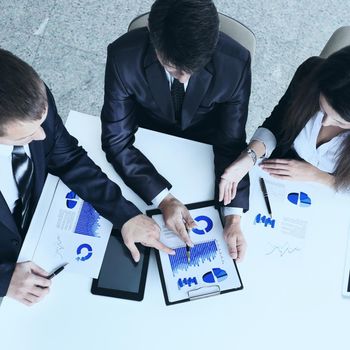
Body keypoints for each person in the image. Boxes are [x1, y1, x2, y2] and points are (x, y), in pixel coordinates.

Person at [0, 49, 174, 306]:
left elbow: (68, 157)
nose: (41, 137)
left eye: (42, 123)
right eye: (24, 137)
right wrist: (5, 280)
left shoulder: (34, 101)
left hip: (45, 231)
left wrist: (124, 214)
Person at [101, 0, 252, 261]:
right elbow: (116, 141)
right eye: (172, 68)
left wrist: (233, 217)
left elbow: (231, 141)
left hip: (204, 149)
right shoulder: (123, 57)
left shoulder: (235, 64)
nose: (183, 79)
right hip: (148, 141)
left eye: (192, 71)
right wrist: (163, 199)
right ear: (151, 30)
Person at [219, 46, 350, 202]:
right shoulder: (311, 72)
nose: (326, 122)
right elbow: (277, 124)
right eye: (323, 109)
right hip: (275, 182)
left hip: (333, 199)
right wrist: (250, 156)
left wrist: (318, 176)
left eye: (340, 121)